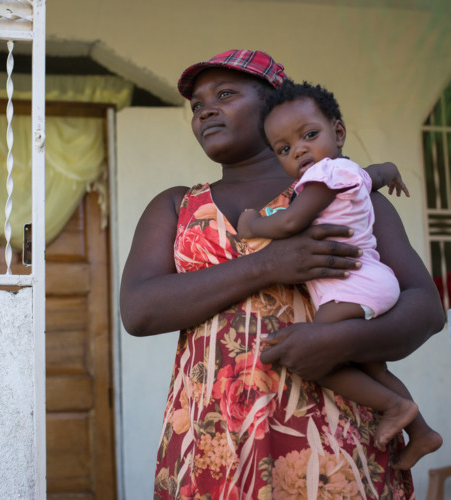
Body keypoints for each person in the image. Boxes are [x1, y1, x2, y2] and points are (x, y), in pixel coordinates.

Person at [120, 49, 445, 500]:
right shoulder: (175, 207)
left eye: (226, 94)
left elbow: (426, 308)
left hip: (335, 450)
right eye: (197, 105)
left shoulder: (346, 195)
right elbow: (139, 311)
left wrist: (339, 342)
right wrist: (268, 265)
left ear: (275, 104)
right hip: (212, 448)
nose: (206, 109)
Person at [237, 79, 442, 471]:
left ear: (339, 132)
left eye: (309, 135)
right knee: (372, 368)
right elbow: (379, 171)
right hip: (369, 280)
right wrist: (392, 171)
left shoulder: (323, 175)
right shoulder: (352, 174)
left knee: (316, 356)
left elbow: (291, 221)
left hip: (355, 283)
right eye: (284, 149)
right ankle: (421, 433)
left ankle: (395, 406)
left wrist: (251, 225)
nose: (299, 150)